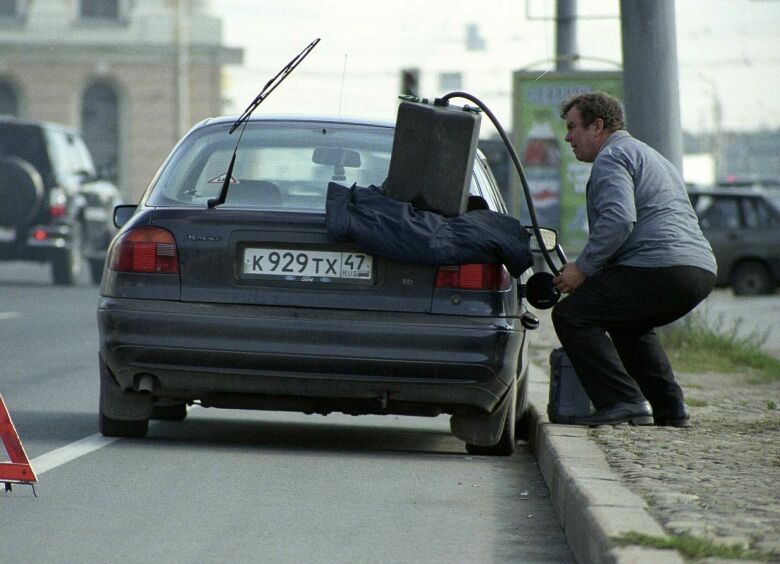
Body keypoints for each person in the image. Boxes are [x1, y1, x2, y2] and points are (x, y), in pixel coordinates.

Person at [551, 91, 717, 428]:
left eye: (572, 127)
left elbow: (619, 218)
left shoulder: (612, 157)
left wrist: (582, 269)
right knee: (629, 324)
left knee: (572, 315)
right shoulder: (648, 155)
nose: (568, 137)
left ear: (597, 126)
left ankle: (622, 401)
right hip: (698, 270)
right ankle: (671, 410)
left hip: (661, 266)